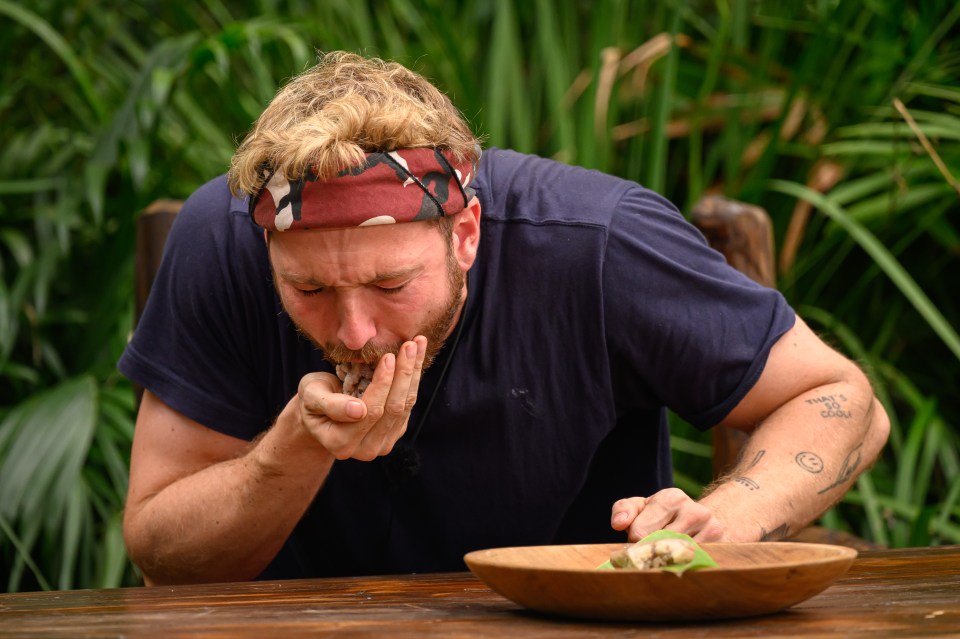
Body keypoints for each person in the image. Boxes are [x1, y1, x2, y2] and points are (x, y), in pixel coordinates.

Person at [119, 51, 889, 586]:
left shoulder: (598, 243)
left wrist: (729, 517)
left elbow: (842, 399)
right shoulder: (219, 242)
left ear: (466, 232)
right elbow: (163, 556)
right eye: (310, 289)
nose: (352, 330)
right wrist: (288, 453)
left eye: (390, 284)